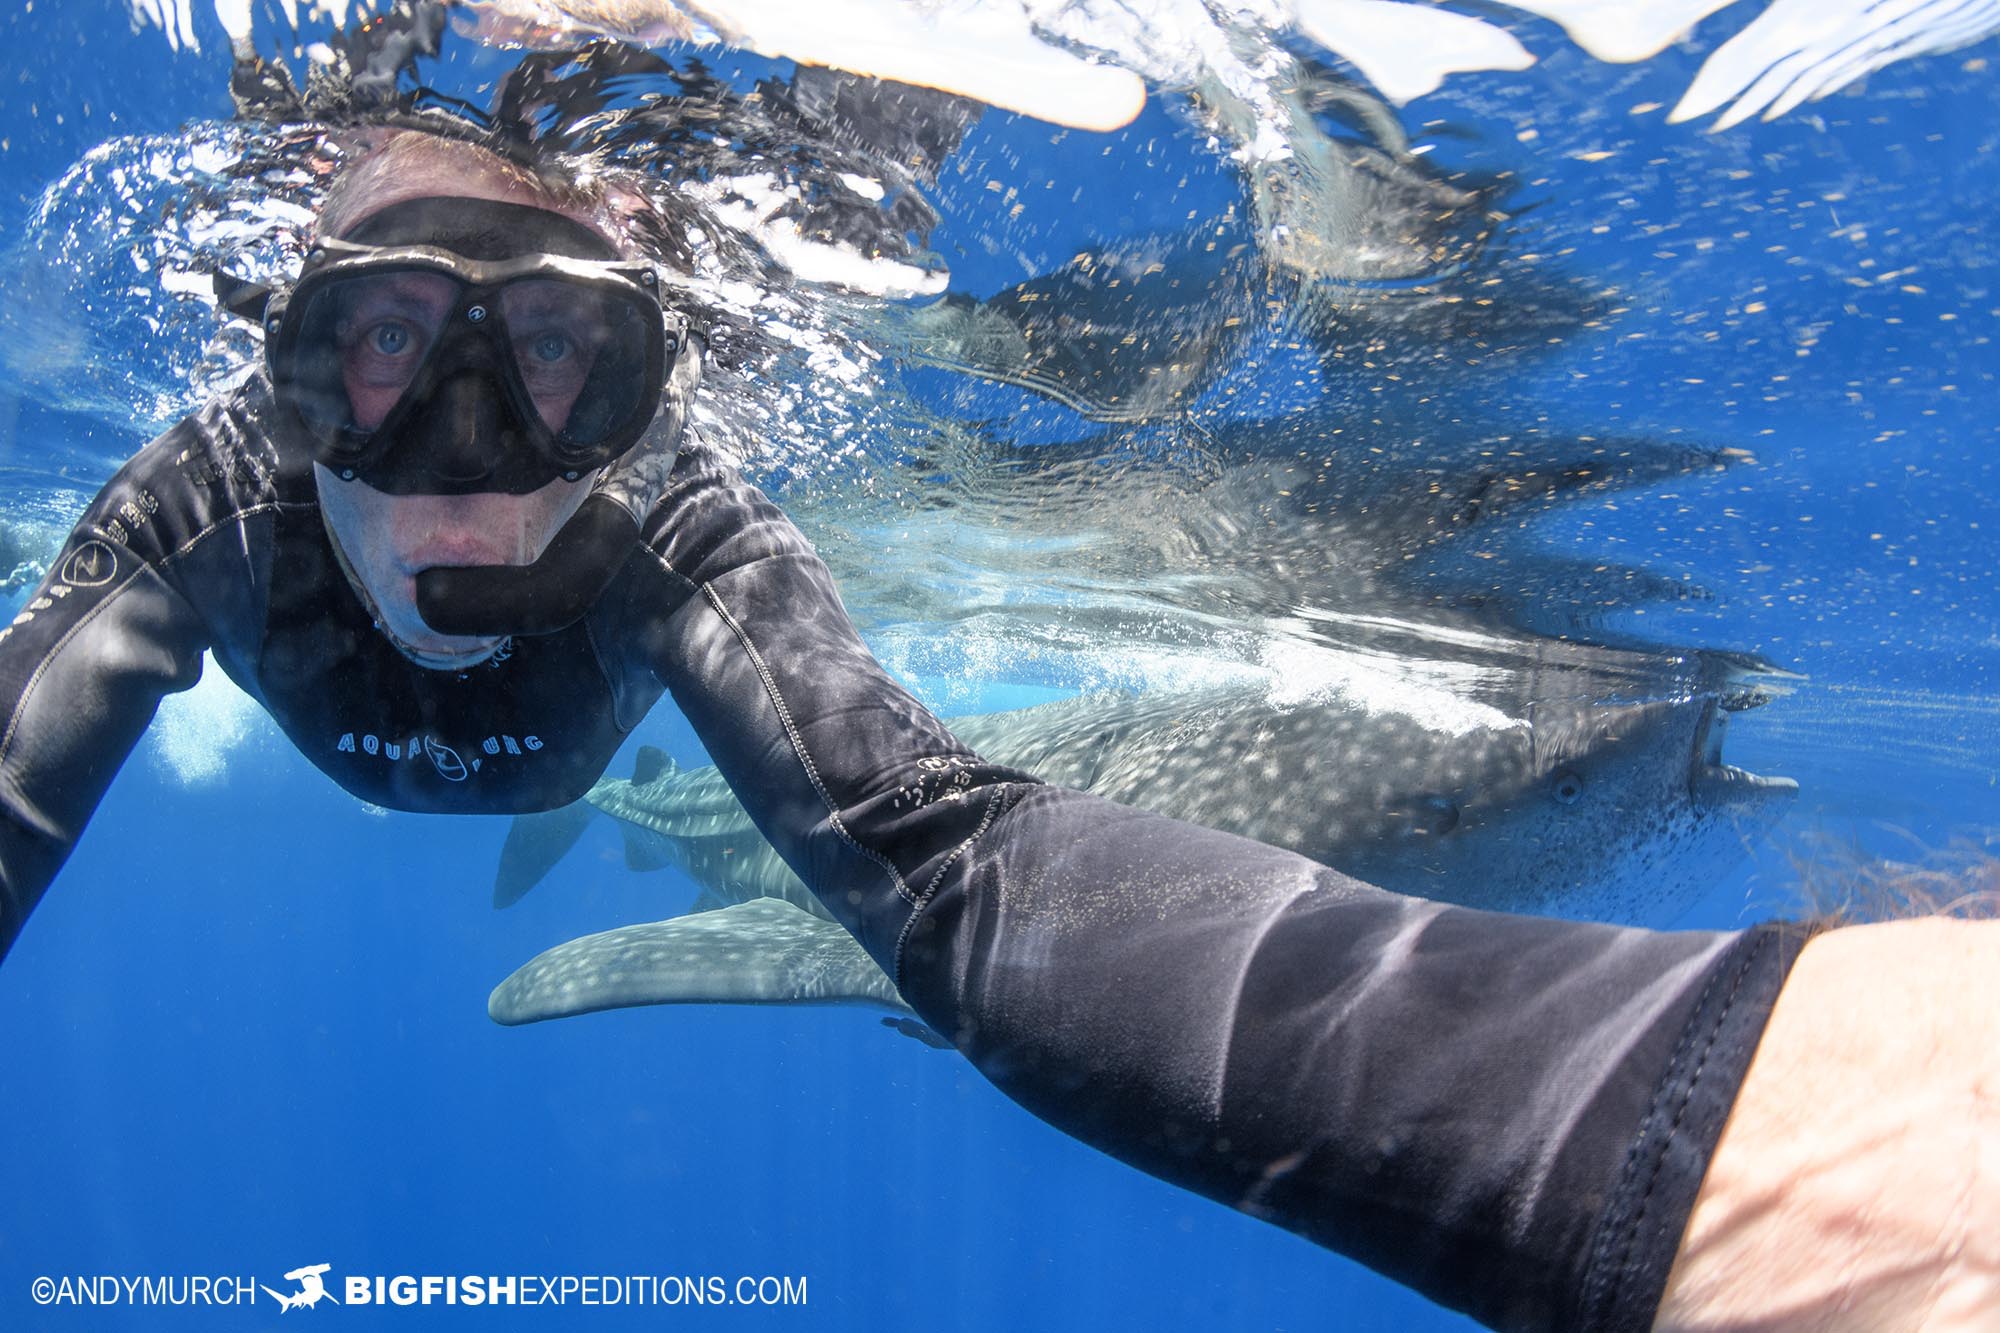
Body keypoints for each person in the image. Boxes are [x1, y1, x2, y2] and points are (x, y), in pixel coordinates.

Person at [0, 126, 1988, 1332]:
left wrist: (1648, 1135)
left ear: (636, 381)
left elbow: (955, 859)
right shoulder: (190, 506)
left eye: (548, 361)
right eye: (374, 347)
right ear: (280, 363)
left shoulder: (687, 529)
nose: (463, 459)